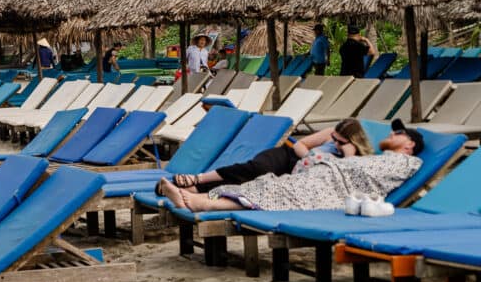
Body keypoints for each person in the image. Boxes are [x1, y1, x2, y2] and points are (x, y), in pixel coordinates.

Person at [158, 119, 424, 213]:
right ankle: (198, 195)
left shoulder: (407, 162)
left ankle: (200, 201)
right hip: (309, 169)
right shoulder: (382, 158)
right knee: (265, 181)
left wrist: (344, 156)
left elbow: (362, 176)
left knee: (275, 189)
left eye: (396, 134)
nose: (390, 135)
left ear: (409, 144)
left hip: (328, 182)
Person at [164, 119, 371, 194]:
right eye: (334, 138)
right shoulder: (329, 133)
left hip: (295, 175)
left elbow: (348, 175)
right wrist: (309, 156)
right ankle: (199, 178)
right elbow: (295, 142)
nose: (334, 142)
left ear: (354, 142)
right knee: (256, 169)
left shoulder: (356, 158)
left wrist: (347, 154)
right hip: (287, 156)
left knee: (246, 183)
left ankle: (191, 189)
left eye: (340, 142)